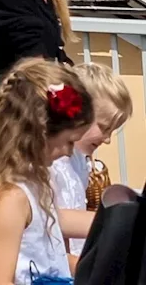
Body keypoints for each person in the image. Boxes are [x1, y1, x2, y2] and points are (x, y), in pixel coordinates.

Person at [0, 60, 95, 285]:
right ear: (38, 133)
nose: (68, 152)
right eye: (68, 142)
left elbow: (49, 235)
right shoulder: (10, 199)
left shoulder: (35, 180)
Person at [51, 62, 132, 260]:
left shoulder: (79, 161)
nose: (107, 139)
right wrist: (117, 222)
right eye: (104, 127)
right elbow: (53, 221)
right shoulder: (52, 163)